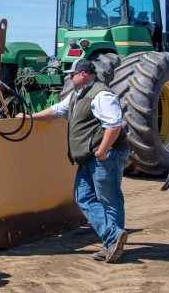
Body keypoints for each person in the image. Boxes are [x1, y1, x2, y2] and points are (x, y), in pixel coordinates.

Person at [21, 58, 131, 262]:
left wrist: (102, 151)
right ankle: (113, 237)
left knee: (110, 200)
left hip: (105, 155)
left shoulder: (101, 94)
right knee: (84, 197)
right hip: (88, 157)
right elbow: (56, 111)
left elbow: (114, 125)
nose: (69, 77)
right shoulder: (77, 95)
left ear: (83, 75)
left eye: (72, 74)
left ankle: (112, 245)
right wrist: (30, 118)